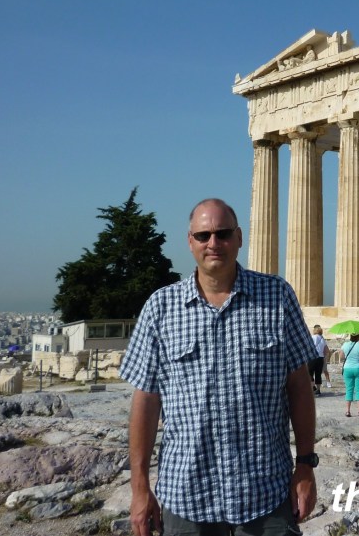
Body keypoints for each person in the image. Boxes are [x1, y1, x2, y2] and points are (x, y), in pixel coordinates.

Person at [120, 198, 318, 536]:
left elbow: (299, 386)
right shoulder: (160, 307)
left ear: (239, 237)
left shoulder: (277, 296)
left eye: (223, 234)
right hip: (186, 497)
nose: (214, 243)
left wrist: (306, 465)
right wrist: (139, 487)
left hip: (265, 492)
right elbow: (146, 401)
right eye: (203, 235)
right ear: (190, 241)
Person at [309, 325, 328, 396]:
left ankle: (313, 387)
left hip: (312, 357)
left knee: (309, 373)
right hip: (320, 358)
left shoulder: (311, 337)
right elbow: (326, 351)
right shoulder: (322, 339)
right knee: (318, 374)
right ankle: (318, 390)